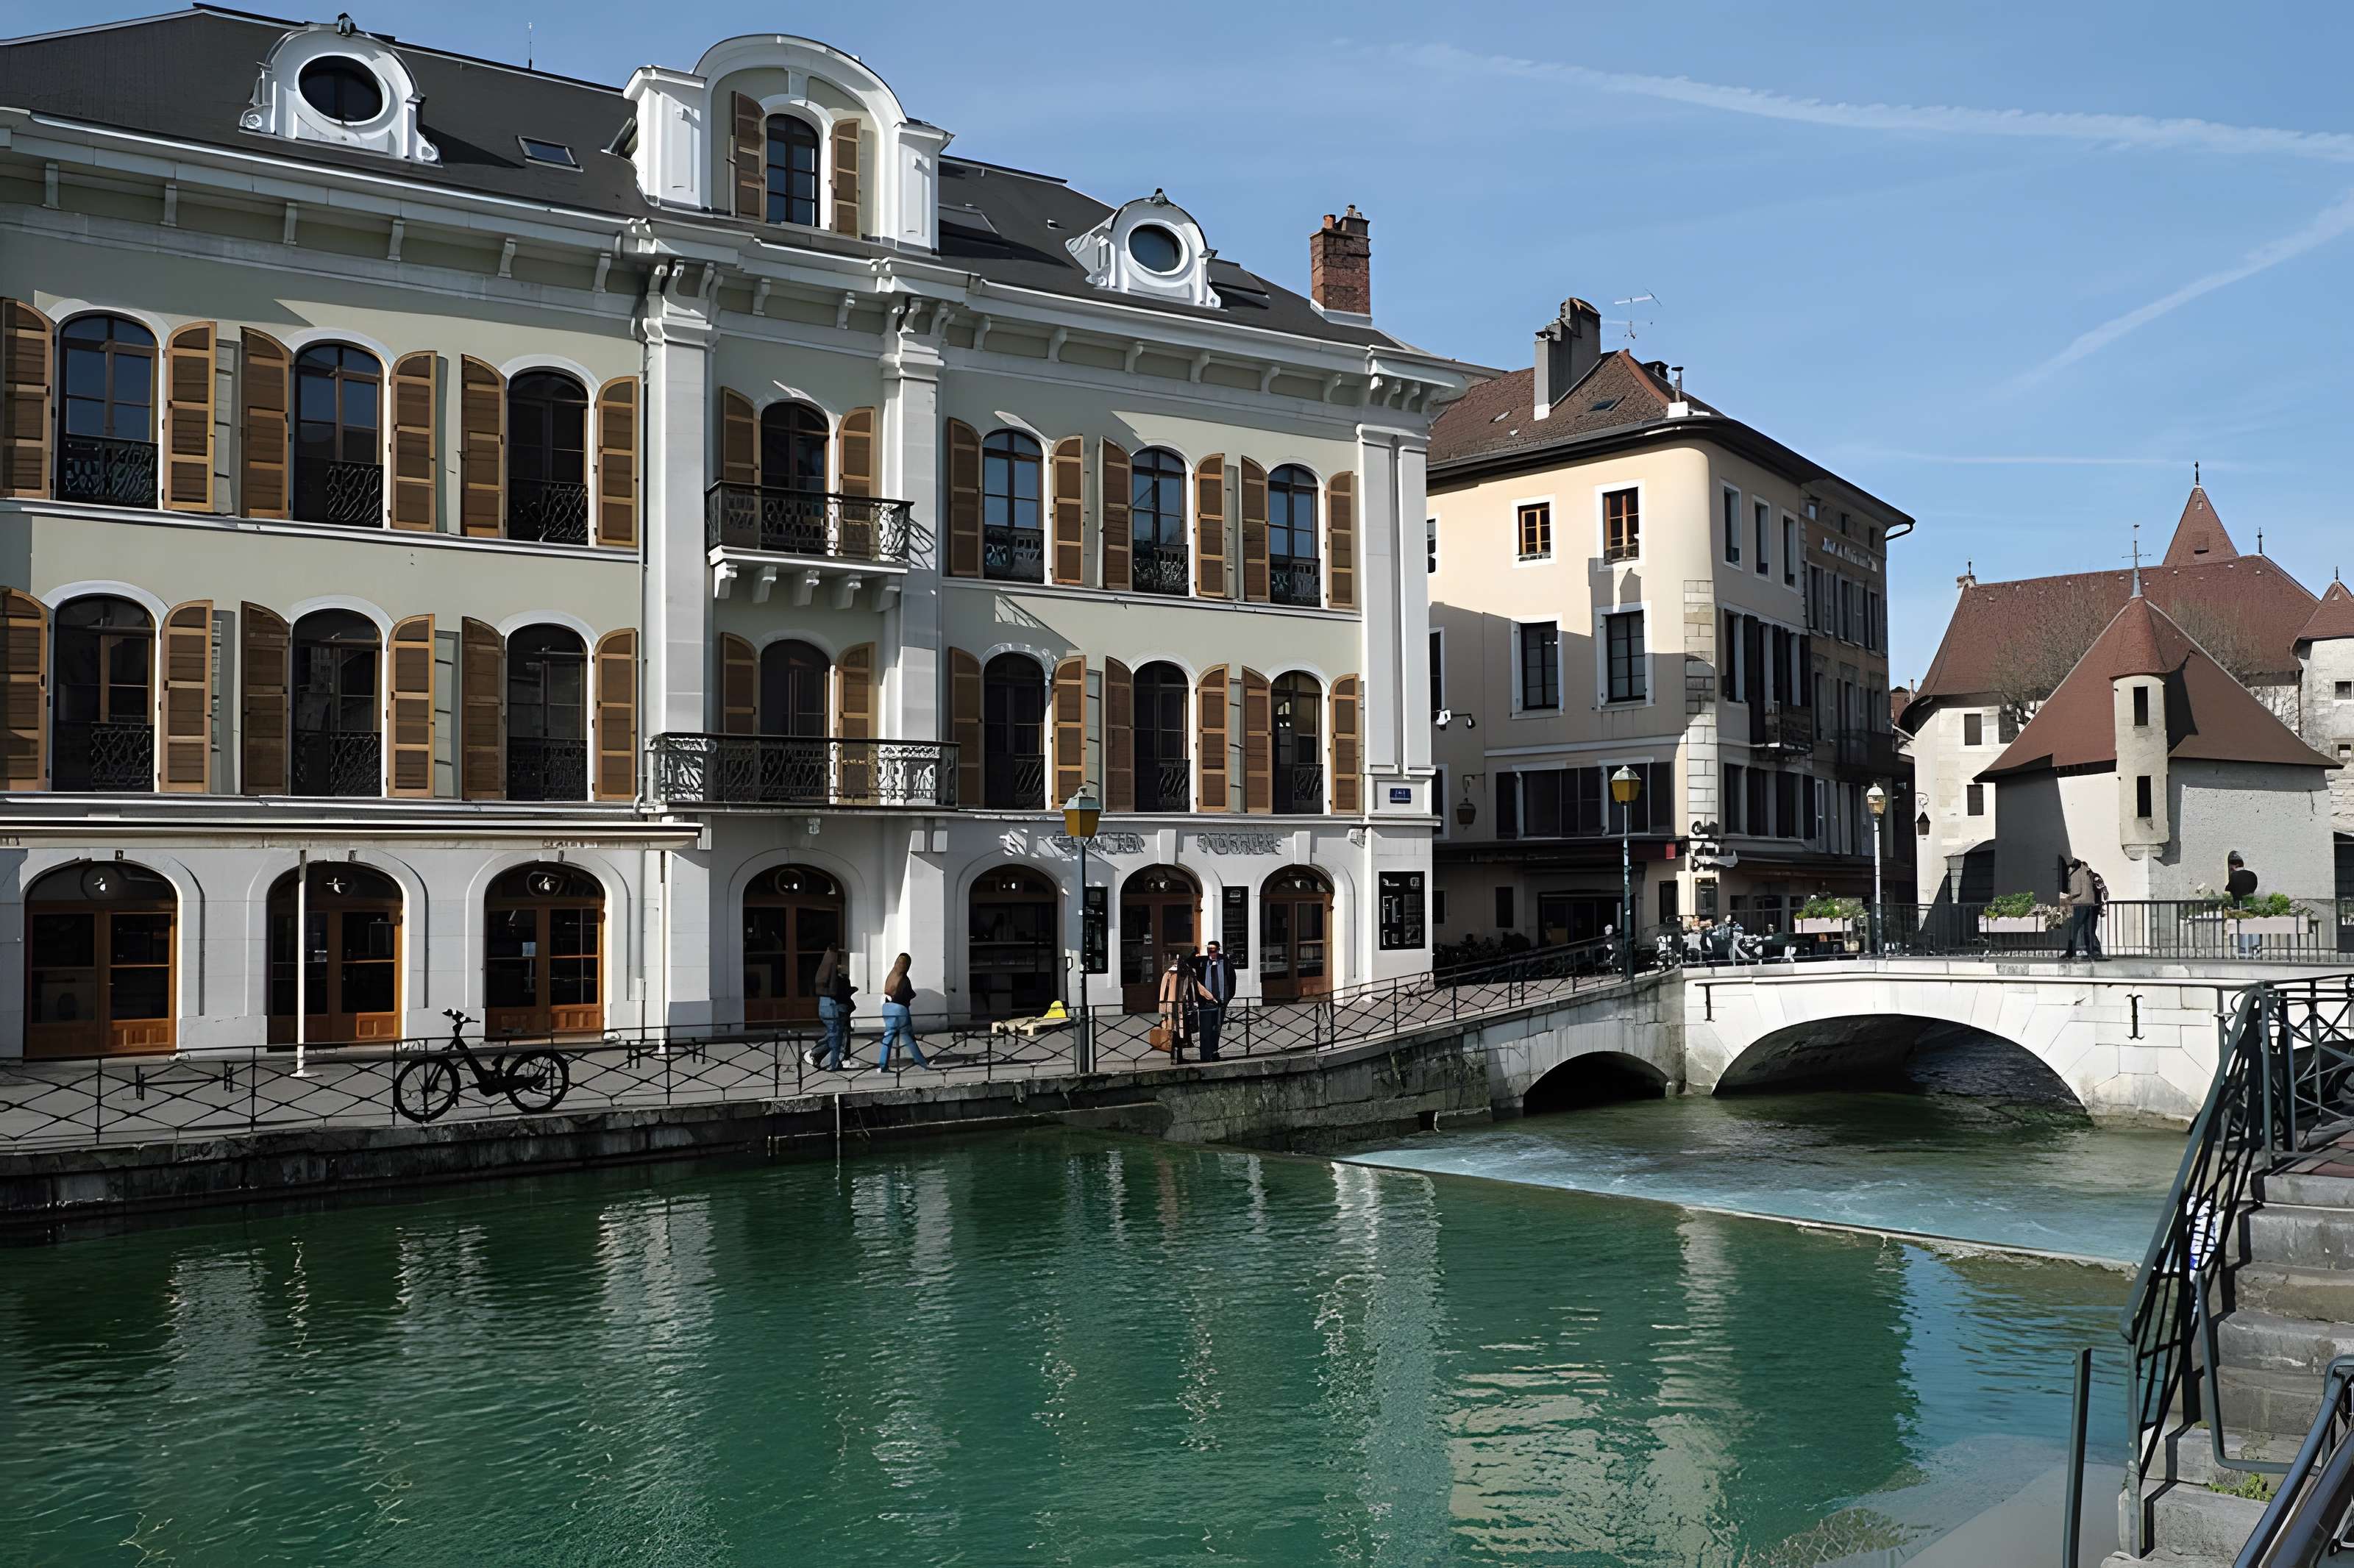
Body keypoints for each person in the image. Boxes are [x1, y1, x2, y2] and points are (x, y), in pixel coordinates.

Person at [875, 953, 927, 1070]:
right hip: (900, 1010)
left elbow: (890, 991)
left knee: (887, 1037)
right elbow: (906, 995)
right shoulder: (904, 980)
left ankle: (883, 1066)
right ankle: (921, 1062)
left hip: (887, 1007)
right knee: (908, 1036)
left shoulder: (891, 975)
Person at [814, 946, 855, 1070]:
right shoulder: (835, 975)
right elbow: (837, 991)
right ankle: (834, 1064)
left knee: (833, 1036)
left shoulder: (823, 970)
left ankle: (817, 1056)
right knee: (836, 1037)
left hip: (825, 1005)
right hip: (834, 1007)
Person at [1195, 941, 1238, 1061]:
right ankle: (1206, 1053)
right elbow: (1197, 981)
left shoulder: (1226, 963)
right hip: (1206, 1002)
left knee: (1217, 1028)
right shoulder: (1203, 963)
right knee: (1205, 1028)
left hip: (1221, 1002)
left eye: (1214, 950)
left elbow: (1232, 982)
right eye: (1209, 950)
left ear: (1218, 950)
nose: (1211, 952)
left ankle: (1214, 1051)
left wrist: (1227, 999)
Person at [2060, 858, 2104, 961]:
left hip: (2080, 904)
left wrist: (2067, 898)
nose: (2068, 871)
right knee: (2089, 930)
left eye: (2068, 869)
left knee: (2073, 930)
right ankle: (2094, 952)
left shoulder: (2076, 874)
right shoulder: (2087, 872)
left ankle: (2071, 952)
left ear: (2072, 867)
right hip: (2091, 903)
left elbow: (2077, 891)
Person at [1156, 955, 1195, 1059]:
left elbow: (1191, 990)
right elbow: (1163, 993)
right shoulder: (1168, 975)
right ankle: (1174, 1055)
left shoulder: (1187, 974)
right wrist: (1162, 1009)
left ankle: (1179, 1054)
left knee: (1181, 1030)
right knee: (1172, 1030)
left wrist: (1191, 1004)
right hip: (1171, 1005)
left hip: (1181, 1005)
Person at [2227, 852, 2261, 955]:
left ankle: (2242, 949)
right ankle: (2255, 947)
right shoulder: (2251, 874)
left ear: (2235, 865)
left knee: (2241, 926)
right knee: (2253, 924)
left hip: (2239, 904)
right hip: (2251, 903)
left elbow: (2229, 888)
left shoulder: (2234, 876)